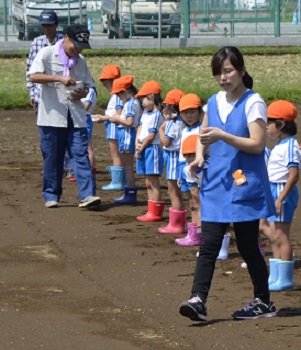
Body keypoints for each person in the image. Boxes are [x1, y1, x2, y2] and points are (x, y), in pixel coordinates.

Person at [179, 46, 276, 322]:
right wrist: (199, 156)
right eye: (218, 72)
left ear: (242, 71)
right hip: (217, 183)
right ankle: (198, 300)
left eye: (229, 71)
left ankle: (263, 301)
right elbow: (204, 135)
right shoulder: (213, 102)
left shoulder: (253, 102)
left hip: (243, 185)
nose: (223, 77)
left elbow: (257, 145)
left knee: (247, 246)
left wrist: (223, 135)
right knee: (208, 244)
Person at [28, 24, 101, 209]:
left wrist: (82, 93)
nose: (78, 49)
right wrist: (59, 78)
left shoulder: (81, 60)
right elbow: (33, 76)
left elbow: (89, 87)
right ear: (66, 37)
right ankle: (51, 195)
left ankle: (88, 195)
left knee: (80, 154)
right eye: (75, 44)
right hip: (51, 115)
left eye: (81, 46)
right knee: (53, 157)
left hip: (75, 115)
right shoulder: (46, 53)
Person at [263, 100, 300, 292]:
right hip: (273, 189)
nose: (267, 126)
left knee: (282, 235)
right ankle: (275, 276)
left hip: (281, 191)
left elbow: (294, 174)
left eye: (269, 122)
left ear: (281, 124)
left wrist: (280, 198)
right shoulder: (281, 145)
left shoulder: (290, 146)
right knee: (275, 236)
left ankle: (285, 278)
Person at [108, 75, 143, 204]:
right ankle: (129, 193)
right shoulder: (134, 102)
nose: (118, 97)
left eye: (118, 94)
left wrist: (117, 119)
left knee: (128, 166)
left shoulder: (129, 104)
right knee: (128, 166)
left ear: (125, 92)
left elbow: (129, 122)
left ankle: (130, 194)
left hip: (127, 134)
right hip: (128, 134)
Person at [134, 80, 165, 222]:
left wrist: (141, 147)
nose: (142, 103)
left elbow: (152, 135)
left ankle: (156, 212)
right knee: (148, 182)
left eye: (143, 99)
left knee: (153, 182)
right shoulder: (146, 113)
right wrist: (137, 143)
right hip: (144, 148)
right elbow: (140, 128)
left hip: (151, 149)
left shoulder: (157, 115)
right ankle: (151, 210)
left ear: (152, 97)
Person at [176, 93, 204, 244]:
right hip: (184, 168)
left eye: (192, 112)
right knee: (192, 203)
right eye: (185, 113)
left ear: (199, 112)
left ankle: (199, 232)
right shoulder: (184, 131)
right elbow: (181, 155)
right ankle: (194, 233)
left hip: (196, 168)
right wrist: (181, 174)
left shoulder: (202, 129)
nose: (189, 116)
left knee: (198, 201)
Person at [158, 89, 187, 234]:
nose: (164, 108)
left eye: (167, 105)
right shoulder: (183, 121)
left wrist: (161, 129)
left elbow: (166, 142)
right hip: (180, 156)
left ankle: (176, 224)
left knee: (173, 191)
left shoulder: (173, 123)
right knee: (178, 191)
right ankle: (177, 223)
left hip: (174, 157)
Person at [93, 64, 124, 190]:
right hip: (115, 126)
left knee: (115, 155)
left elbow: (118, 114)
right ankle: (122, 180)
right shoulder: (118, 95)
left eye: (106, 84)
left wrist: (103, 118)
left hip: (114, 127)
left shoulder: (116, 96)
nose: (106, 87)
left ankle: (117, 182)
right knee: (119, 155)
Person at [175, 134, 208, 246]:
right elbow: (194, 192)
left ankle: (203, 235)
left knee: (204, 210)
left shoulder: (209, 166)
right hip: (200, 191)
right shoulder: (187, 169)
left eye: (193, 155)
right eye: (187, 156)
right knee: (195, 206)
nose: (190, 159)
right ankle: (195, 235)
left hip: (212, 192)